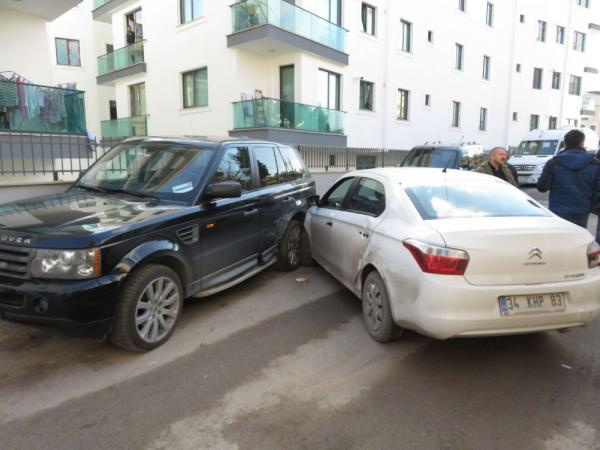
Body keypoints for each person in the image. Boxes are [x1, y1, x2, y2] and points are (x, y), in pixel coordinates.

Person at [537, 129, 600, 228]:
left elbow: (541, 187)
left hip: (558, 209)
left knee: (560, 239)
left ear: (565, 143)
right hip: (582, 209)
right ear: (582, 143)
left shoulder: (554, 162)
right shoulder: (594, 163)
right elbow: (597, 190)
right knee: (579, 238)